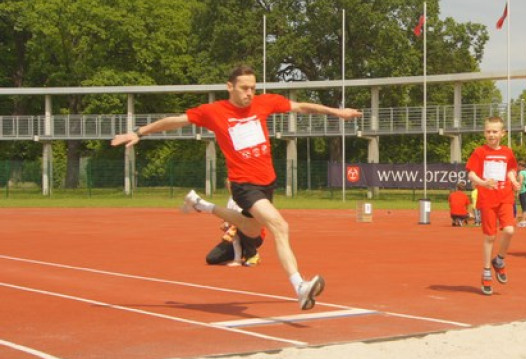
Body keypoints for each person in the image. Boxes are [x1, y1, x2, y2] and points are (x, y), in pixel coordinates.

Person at [111, 65, 362, 310]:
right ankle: (299, 287)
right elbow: (176, 121)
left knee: (252, 229)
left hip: (267, 183)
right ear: (229, 87)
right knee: (280, 226)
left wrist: (336, 112)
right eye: (244, 88)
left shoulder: (264, 103)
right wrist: (139, 132)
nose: (249, 93)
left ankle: (202, 205)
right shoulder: (214, 111)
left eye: (252, 88)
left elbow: (301, 106)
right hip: (244, 185)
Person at [466, 116, 520, 295]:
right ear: (484, 133)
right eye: (488, 131)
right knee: (490, 237)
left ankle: (500, 259)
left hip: (505, 196)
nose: (491, 134)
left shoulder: (507, 152)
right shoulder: (479, 152)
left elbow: (511, 170)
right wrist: (482, 183)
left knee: (510, 230)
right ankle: (486, 270)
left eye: (495, 131)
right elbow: (471, 174)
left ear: (502, 134)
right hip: (487, 199)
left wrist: (513, 180)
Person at [206, 197, 265, 266]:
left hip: (255, 235)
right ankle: (244, 253)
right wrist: (226, 224)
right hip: (236, 235)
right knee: (211, 258)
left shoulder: (247, 198)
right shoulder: (231, 200)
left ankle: (252, 255)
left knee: (241, 226)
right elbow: (228, 219)